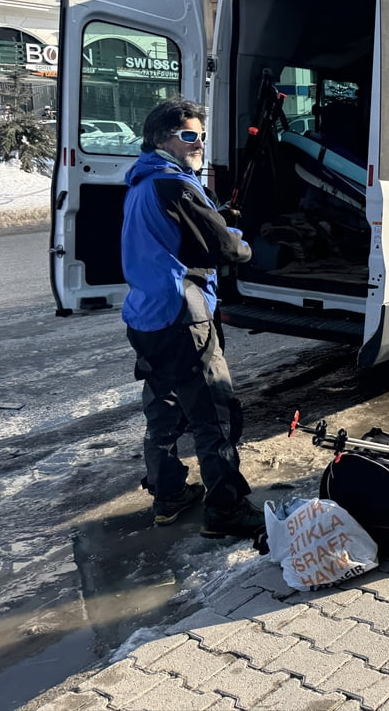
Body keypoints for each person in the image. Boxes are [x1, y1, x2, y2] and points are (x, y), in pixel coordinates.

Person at [122, 97, 263, 538]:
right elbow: (226, 248)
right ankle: (225, 509)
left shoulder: (141, 182)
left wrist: (214, 219)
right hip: (184, 315)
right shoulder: (174, 184)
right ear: (160, 139)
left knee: (163, 407)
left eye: (201, 135)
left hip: (146, 315)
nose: (198, 143)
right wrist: (240, 237)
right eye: (188, 135)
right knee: (214, 413)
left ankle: (169, 496)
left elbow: (176, 235)